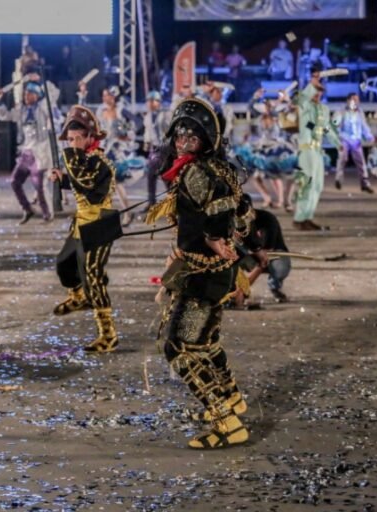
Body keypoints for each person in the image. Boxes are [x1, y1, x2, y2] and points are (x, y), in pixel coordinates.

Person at [148, 98, 249, 449]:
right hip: (217, 271)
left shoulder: (196, 172)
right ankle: (232, 398)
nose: (184, 138)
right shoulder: (214, 166)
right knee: (205, 342)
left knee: (179, 347)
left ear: (207, 139)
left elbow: (222, 205)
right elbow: (243, 207)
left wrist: (215, 237)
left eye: (193, 134)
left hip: (204, 275)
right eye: (180, 132)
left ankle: (226, 422)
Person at [50, 105, 118, 353]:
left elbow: (88, 184)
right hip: (81, 222)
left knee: (94, 277)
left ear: (91, 137)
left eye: (78, 138)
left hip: (99, 225)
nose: (74, 143)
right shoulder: (81, 161)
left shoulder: (100, 162)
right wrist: (62, 179)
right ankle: (78, 297)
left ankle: (108, 334)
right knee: (64, 263)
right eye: (70, 139)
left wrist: (68, 158)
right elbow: (78, 182)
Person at [78, 83, 145, 226]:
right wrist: (83, 95)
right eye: (103, 95)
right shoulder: (100, 111)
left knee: (115, 183)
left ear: (114, 97)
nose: (104, 98)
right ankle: (108, 213)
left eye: (107, 95)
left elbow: (138, 122)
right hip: (103, 150)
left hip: (116, 151)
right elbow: (84, 114)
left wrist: (128, 134)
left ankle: (124, 213)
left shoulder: (121, 110)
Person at [0, 80, 56, 224]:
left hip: (39, 153)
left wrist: (42, 81)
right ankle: (27, 209)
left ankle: (48, 214)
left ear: (37, 95)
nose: (26, 95)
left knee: (39, 186)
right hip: (26, 153)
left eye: (30, 93)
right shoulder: (21, 110)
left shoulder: (43, 108)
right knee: (15, 181)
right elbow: (5, 116)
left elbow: (52, 94)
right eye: (25, 93)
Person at [292, 67, 341, 231]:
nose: (318, 93)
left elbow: (328, 128)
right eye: (316, 90)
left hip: (318, 151)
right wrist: (312, 83)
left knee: (317, 186)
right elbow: (303, 97)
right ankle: (299, 217)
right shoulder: (305, 106)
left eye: (320, 90)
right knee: (307, 183)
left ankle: (308, 216)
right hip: (306, 150)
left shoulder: (324, 109)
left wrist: (337, 143)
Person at [334, 93, 375, 193]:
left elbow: (364, 126)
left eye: (357, 100)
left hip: (356, 140)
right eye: (353, 99)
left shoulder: (359, 112)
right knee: (343, 158)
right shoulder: (341, 111)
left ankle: (364, 183)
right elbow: (335, 125)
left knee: (361, 161)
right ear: (348, 101)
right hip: (344, 139)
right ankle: (339, 178)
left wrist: (369, 136)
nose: (355, 102)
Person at [142, 90, 170, 210]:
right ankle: (151, 202)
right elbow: (147, 131)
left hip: (165, 149)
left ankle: (173, 201)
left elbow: (169, 131)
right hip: (154, 150)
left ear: (158, 102)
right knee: (151, 176)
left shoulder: (164, 115)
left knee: (167, 177)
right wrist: (146, 142)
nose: (150, 104)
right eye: (149, 101)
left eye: (153, 101)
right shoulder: (147, 117)